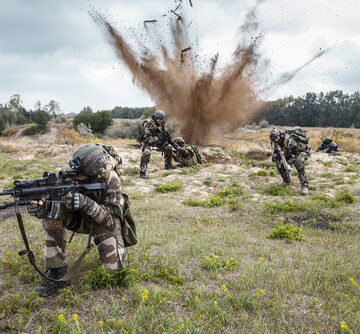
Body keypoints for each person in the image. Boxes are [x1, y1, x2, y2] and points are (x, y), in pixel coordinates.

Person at [27, 143, 133, 297]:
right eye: (74, 173)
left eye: (80, 176)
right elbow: (49, 204)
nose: (75, 177)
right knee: (51, 216)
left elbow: (111, 220)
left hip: (103, 224)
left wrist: (85, 202)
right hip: (77, 220)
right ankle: (57, 273)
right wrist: (41, 209)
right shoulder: (68, 173)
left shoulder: (111, 179)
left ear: (94, 175)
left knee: (115, 274)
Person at [269, 127, 311, 195]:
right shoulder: (277, 144)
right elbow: (274, 159)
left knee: (298, 162)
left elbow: (294, 154)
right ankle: (286, 181)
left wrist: (288, 163)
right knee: (279, 164)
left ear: (279, 135)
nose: (275, 140)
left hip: (303, 150)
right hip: (291, 153)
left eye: (276, 138)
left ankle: (304, 186)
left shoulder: (289, 139)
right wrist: (277, 156)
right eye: (273, 139)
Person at [139, 109, 177, 179]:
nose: (160, 121)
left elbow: (164, 131)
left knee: (168, 147)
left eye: (161, 120)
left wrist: (168, 137)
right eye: (159, 119)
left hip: (157, 141)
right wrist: (159, 138)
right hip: (146, 142)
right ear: (155, 117)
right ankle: (142, 172)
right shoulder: (148, 123)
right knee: (146, 152)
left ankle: (168, 165)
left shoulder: (161, 123)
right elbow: (148, 139)